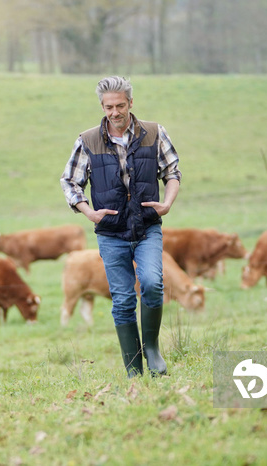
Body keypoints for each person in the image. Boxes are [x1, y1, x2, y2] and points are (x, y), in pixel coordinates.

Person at [60, 76, 181, 378]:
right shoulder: (87, 140)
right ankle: (133, 368)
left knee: (153, 284)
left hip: (147, 227)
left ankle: (152, 350)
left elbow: (172, 171)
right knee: (123, 298)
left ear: (130, 103)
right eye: (108, 107)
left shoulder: (154, 133)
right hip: (111, 232)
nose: (115, 112)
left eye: (120, 106)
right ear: (102, 107)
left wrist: (167, 203)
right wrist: (89, 212)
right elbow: (70, 181)